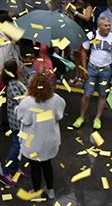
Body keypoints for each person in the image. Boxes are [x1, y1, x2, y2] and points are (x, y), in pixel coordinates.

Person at [16, 71, 65, 199]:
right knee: (47, 165)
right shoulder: (56, 99)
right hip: (50, 140)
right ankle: (50, 190)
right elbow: (60, 113)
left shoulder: (27, 102)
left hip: (33, 142)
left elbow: (22, 117)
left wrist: (24, 97)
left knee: (35, 168)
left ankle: (37, 193)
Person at [74, 17, 112, 130]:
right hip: (92, 68)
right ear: (99, 26)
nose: (108, 28)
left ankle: (97, 118)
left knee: (103, 94)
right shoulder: (91, 35)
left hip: (106, 70)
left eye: (109, 25)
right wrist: (84, 68)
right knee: (87, 94)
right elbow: (84, 51)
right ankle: (81, 117)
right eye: (105, 25)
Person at [0, 59, 26, 187]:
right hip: (17, 123)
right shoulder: (13, 85)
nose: (22, 66)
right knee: (17, 146)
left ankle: (15, 168)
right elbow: (21, 101)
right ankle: (5, 172)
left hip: (22, 121)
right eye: (19, 65)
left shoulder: (21, 80)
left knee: (20, 146)